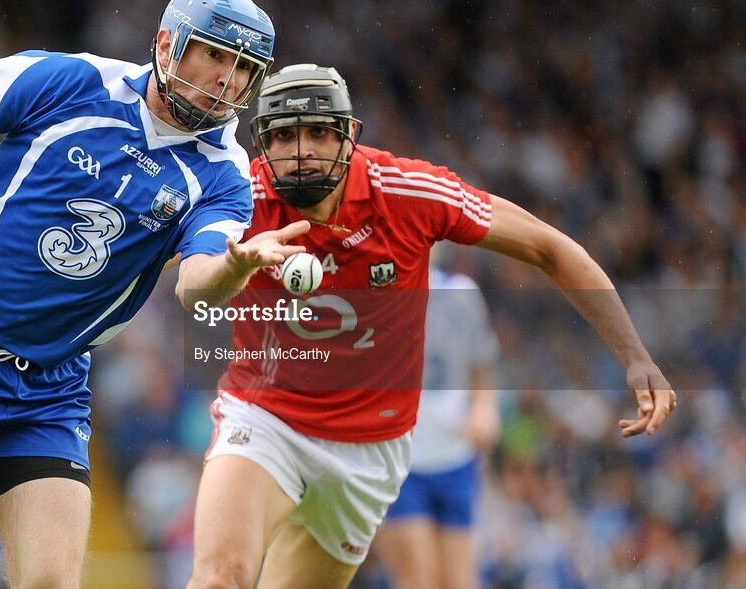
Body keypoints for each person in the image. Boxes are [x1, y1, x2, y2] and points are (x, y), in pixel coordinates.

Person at [0, 0, 308, 589]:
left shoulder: (224, 173)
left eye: (243, 67)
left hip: (46, 389)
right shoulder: (71, 81)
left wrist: (235, 265)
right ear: (167, 42)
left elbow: (197, 286)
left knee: (52, 582)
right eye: (215, 54)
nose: (228, 79)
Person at [186, 64, 677, 588]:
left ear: (350, 136)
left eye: (318, 132)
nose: (301, 150)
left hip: (371, 447)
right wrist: (232, 267)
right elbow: (193, 288)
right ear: (262, 142)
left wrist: (635, 356)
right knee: (221, 578)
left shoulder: (409, 191)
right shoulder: (240, 195)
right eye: (283, 134)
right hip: (265, 420)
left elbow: (548, 247)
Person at [372, 258, 500, 589]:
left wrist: (485, 408)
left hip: (456, 453)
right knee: (418, 578)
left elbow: (482, 362)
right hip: (402, 459)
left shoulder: (461, 293)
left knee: (461, 581)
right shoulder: (375, 294)